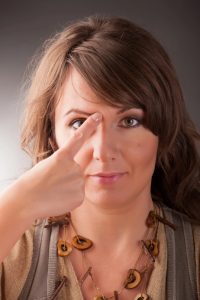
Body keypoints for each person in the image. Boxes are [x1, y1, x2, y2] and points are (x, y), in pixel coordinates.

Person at [0, 15, 199, 300]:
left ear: (163, 129)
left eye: (129, 121)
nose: (103, 151)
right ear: (51, 135)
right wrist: (19, 202)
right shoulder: (13, 248)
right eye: (80, 123)